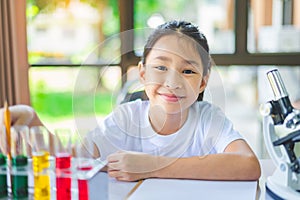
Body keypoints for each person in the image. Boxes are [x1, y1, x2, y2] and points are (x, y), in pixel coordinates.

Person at [0, 20, 261, 182]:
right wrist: (29, 116)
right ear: (143, 73)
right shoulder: (127, 118)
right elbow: (74, 160)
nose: (172, 82)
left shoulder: (207, 118)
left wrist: (153, 166)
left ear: (203, 82)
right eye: (161, 67)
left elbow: (248, 164)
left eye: (188, 71)